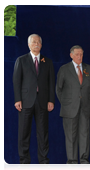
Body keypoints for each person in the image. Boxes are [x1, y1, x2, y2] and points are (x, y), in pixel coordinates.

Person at [13, 34, 55, 168]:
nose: (36, 44)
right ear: (29, 45)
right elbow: (16, 81)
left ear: (41, 45)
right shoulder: (21, 60)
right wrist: (17, 99)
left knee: (43, 133)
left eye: (38, 42)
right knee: (24, 132)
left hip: (42, 101)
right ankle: (24, 162)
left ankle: (44, 162)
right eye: (33, 42)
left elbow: (51, 83)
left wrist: (51, 100)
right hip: (25, 101)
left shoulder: (47, 62)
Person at [56, 45, 90, 168]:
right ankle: (71, 162)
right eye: (77, 54)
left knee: (84, 134)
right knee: (71, 136)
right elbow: (58, 89)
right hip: (69, 108)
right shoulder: (64, 69)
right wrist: (66, 103)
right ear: (71, 55)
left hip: (85, 107)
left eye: (81, 54)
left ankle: (84, 161)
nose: (79, 57)